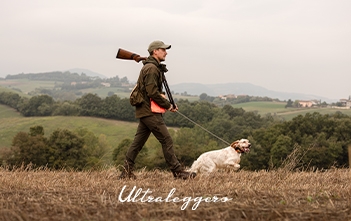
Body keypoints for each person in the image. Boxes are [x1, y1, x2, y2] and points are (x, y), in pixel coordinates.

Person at [118, 40, 195, 180]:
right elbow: (152, 92)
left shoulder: (152, 66)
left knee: (137, 143)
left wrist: (168, 104)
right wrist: (168, 105)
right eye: (163, 50)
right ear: (155, 51)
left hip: (146, 110)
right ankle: (178, 172)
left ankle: (126, 172)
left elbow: (153, 92)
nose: (166, 52)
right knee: (167, 140)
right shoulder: (152, 68)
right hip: (149, 111)